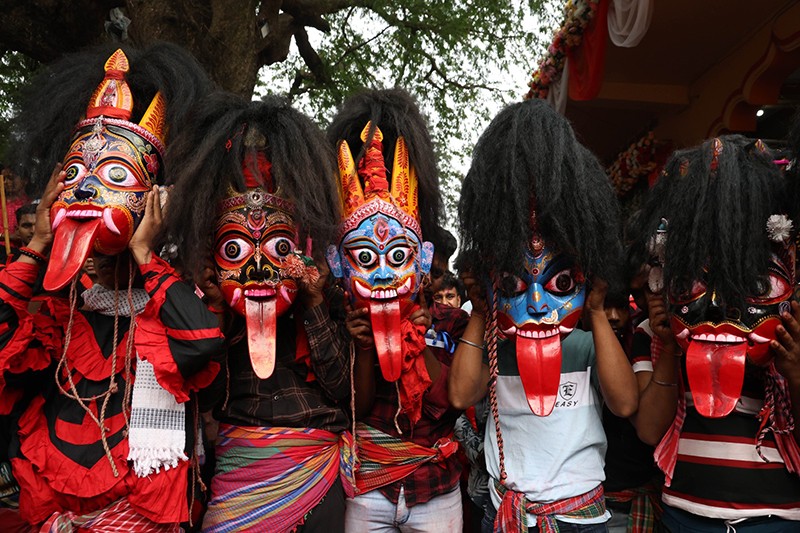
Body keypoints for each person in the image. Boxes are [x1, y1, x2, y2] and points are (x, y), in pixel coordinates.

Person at [0, 44, 220, 530]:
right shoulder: (64, 311)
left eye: (114, 177)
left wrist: (145, 251)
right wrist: (37, 243)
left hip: (141, 512)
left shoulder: (169, 304)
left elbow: (201, 343)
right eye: (75, 174)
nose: (83, 191)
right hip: (56, 511)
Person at [165, 92, 350, 533]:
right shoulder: (209, 312)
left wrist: (314, 302)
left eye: (278, 249)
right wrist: (216, 311)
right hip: (239, 471)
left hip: (315, 470)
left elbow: (343, 388)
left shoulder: (325, 301)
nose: (257, 270)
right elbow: (204, 399)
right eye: (235, 250)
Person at [450, 99, 638, 533]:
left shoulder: (587, 344)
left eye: (561, 286)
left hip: (578, 518)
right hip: (507, 514)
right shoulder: (497, 347)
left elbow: (625, 402)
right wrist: (482, 310)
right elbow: (461, 395)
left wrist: (593, 312)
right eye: (516, 285)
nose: (536, 304)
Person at [633, 136, 800, 531]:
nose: (723, 307)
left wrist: (793, 371)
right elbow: (648, 430)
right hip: (685, 516)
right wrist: (671, 349)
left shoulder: (794, 339)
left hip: (775, 520)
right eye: (692, 281)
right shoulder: (653, 334)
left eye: (757, 285)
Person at [327, 89, 467, 532]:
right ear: (340, 263)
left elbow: (446, 400)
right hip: (370, 486)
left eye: (398, 258)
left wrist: (416, 335)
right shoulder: (340, 325)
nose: (385, 276)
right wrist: (365, 344)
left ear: (422, 259)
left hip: (436, 487)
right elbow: (358, 405)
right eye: (366, 259)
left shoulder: (449, 321)